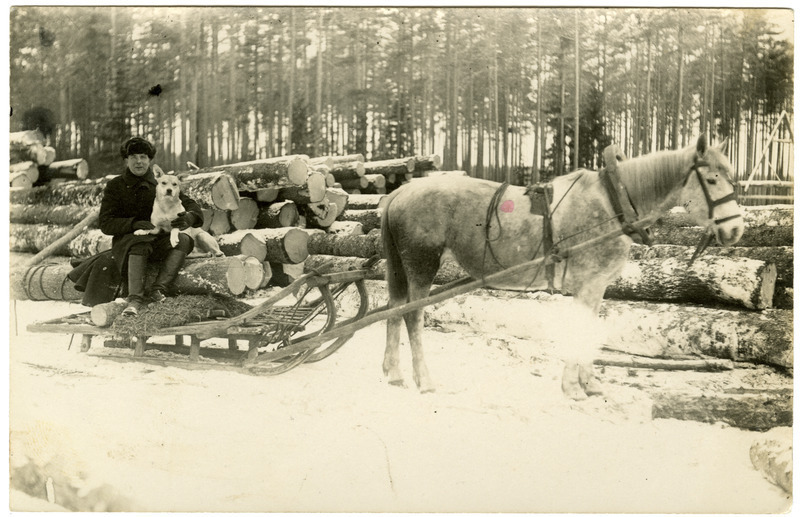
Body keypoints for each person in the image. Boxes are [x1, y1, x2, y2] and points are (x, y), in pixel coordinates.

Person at [99, 137, 204, 316]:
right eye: (133, 156)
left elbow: (189, 203)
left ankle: (159, 290)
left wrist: (189, 217)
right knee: (140, 242)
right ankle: (135, 300)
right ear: (126, 159)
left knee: (184, 240)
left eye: (143, 156)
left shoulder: (162, 183)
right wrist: (132, 223)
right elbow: (105, 223)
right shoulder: (115, 186)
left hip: (158, 240)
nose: (139, 161)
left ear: (149, 160)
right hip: (129, 243)